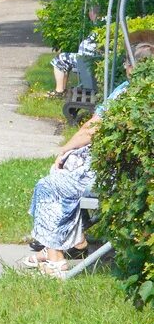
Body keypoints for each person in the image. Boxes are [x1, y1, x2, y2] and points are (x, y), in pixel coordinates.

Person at [23, 41, 154, 277]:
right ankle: (69, 242)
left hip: (118, 178)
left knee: (51, 185)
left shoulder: (126, 92)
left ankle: (56, 258)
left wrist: (63, 149)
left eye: (126, 63)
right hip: (134, 174)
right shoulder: (145, 93)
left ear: (131, 68)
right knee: (67, 171)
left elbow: (92, 128)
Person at [48, 30, 100, 97]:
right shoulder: (103, 26)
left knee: (60, 59)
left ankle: (59, 91)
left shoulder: (101, 24)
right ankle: (62, 90)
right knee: (64, 59)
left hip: (87, 60)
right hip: (87, 58)